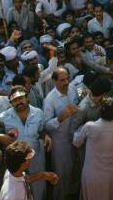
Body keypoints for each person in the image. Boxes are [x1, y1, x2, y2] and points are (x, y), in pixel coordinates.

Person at [0, 86, 52, 200]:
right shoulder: (4, 117)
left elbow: (41, 131)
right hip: (16, 163)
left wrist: (46, 136)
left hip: (35, 159)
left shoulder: (38, 113)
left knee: (38, 189)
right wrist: (0, 136)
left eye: (21, 98)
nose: (19, 102)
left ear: (27, 98)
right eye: (15, 100)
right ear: (11, 103)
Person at [73, 98, 113, 200]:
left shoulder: (90, 127)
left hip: (92, 174)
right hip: (110, 174)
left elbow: (76, 142)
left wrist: (79, 129)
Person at [43, 67, 79, 200]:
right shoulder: (50, 100)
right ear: (54, 81)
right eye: (62, 80)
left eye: (68, 78)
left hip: (75, 137)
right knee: (62, 174)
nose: (66, 82)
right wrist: (60, 118)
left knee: (75, 169)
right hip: (60, 143)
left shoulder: (73, 89)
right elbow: (46, 125)